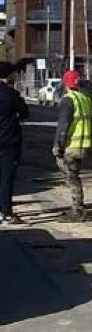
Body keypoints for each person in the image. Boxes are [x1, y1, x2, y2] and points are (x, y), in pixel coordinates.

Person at [53, 69, 92, 222]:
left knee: (71, 177)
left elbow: (63, 126)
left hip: (71, 146)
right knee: (73, 175)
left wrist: (58, 146)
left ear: (65, 84)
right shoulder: (85, 99)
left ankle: (77, 210)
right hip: (82, 144)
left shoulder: (68, 100)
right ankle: (77, 207)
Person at [0, 62, 29, 225]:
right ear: (8, 75)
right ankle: (6, 213)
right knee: (6, 178)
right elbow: (25, 113)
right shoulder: (11, 95)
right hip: (9, 142)